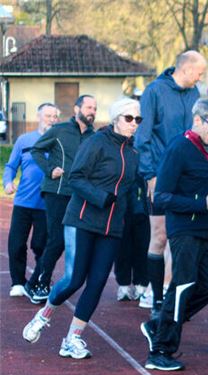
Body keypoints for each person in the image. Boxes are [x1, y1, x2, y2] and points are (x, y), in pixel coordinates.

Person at [22, 98, 141, 358]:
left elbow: (129, 188)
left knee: (97, 283)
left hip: (112, 228)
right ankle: (44, 315)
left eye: (138, 119)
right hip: (83, 219)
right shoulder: (96, 143)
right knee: (74, 279)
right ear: (116, 118)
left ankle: (72, 339)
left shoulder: (133, 154)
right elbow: (75, 177)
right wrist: (100, 197)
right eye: (129, 118)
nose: (134, 124)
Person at [141, 99, 208, 371]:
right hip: (184, 230)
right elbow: (162, 197)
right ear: (197, 120)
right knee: (182, 287)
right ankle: (160, 351)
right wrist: (200, 203)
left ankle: (159, 326)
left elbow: (205, 186)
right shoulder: (179, 148)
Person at [136, 50, 206, 314]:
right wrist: (150, 175)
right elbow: (142, 137)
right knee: (160, 235)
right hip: (159, 173)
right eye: (199, 72)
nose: (201, 77)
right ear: (186, 69)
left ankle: (166, 288)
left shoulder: (194, 94)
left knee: (179, 235)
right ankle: (152, 295)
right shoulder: (154, 92)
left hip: (187, 176)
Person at [26, 95, 96, 303]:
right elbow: (37, 150)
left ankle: (35, 282)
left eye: (95, 108)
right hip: (56, 191)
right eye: (89, 107)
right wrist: (50, 169)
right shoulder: (60, 129)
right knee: (56, 239)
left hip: (79, 194)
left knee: (67, 241)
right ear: (77, 109)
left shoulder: (94, 137)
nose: (92, 111)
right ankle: (40, 283)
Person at [5, 103, 58, 297]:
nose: (51, 119)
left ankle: (42, 280)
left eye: (54, 116)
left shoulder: (58, 143)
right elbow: (11, 165)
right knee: (16, 243)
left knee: (40, 245)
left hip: (47, 205)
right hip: (23, 203)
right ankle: (18, 282)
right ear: (38, 116)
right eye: (48, 115)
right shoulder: (24, 140)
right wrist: (8, 182)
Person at [113, 175, 150, 301]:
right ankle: (124, 284)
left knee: (143, 242)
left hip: (142, 197)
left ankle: (141, 284)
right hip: (122, 196)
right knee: (123, 244)